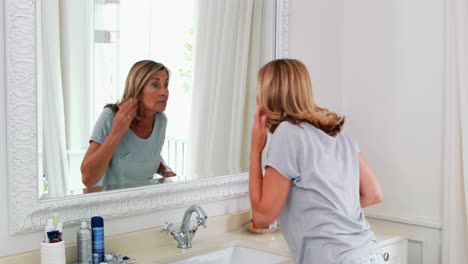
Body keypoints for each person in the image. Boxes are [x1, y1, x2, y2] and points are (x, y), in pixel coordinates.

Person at [249, 59, 384, 263]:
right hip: (369, 253)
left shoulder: (287, 134)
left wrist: (255, 148)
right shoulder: (338, 136)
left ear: (269, 96)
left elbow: (261, 218)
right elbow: (373, 194)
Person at [81, 60, 176, 188]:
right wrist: (117, 131)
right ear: (138, 89)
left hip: (143, 200)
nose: (164, 92)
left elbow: (148, 154)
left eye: (166, 84)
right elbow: (88, 179)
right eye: (155, 85)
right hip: (108, 203)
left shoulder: (161, 121)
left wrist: (165, 169)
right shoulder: (110, 116)